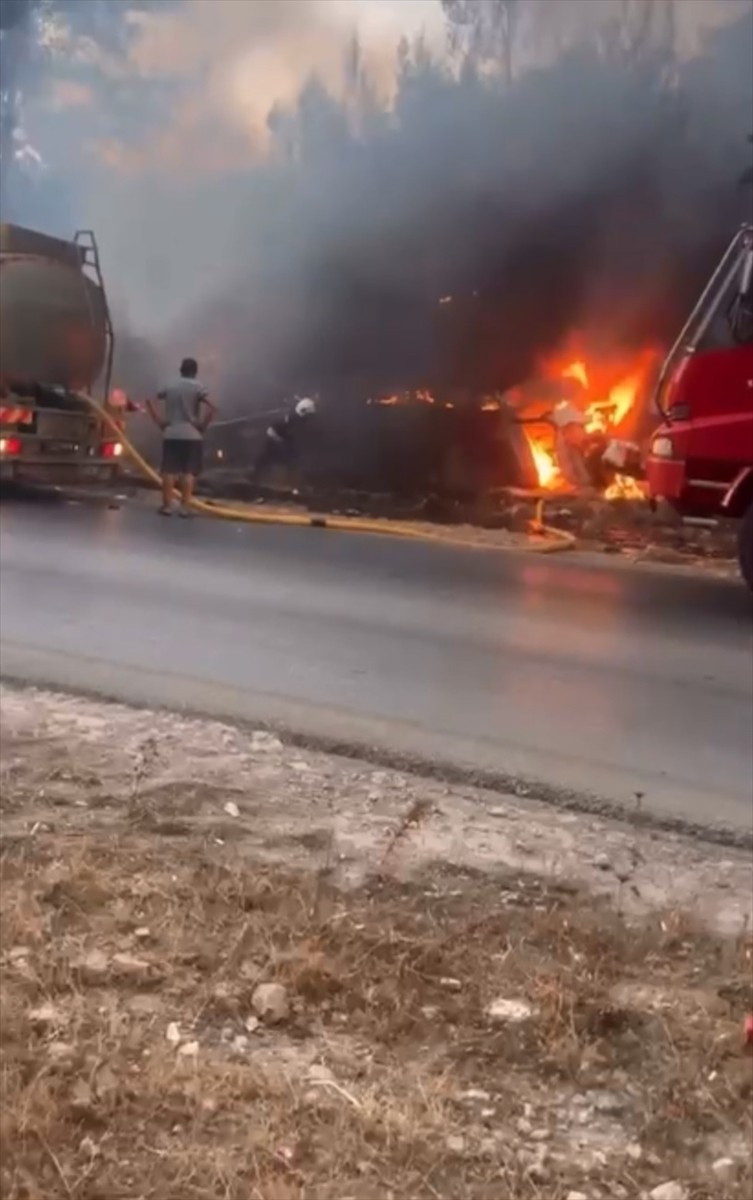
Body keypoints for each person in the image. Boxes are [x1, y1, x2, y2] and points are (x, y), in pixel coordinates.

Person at [147, 357, 215, 516]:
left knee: (168, 470)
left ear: (181, 370)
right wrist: (203, 425)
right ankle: (185, 508)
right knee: (188, 472)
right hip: (192, 435)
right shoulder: (199, 387)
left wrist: (159, 422)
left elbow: (150, 400)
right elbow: (213, 407)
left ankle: (167, 506)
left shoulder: (170, 385)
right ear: (195, 372)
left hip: (171, 433)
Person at [248, 396, 317, 485]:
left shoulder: (302, 421)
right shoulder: (289, 419)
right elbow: (271, 430)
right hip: (278, 444)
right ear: (303, 411)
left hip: (289, 444)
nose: (309, 418)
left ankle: (295, 481)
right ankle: (255, 476)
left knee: (294, 462)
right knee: (267, 457)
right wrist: (280, 442)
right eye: (308, 415)